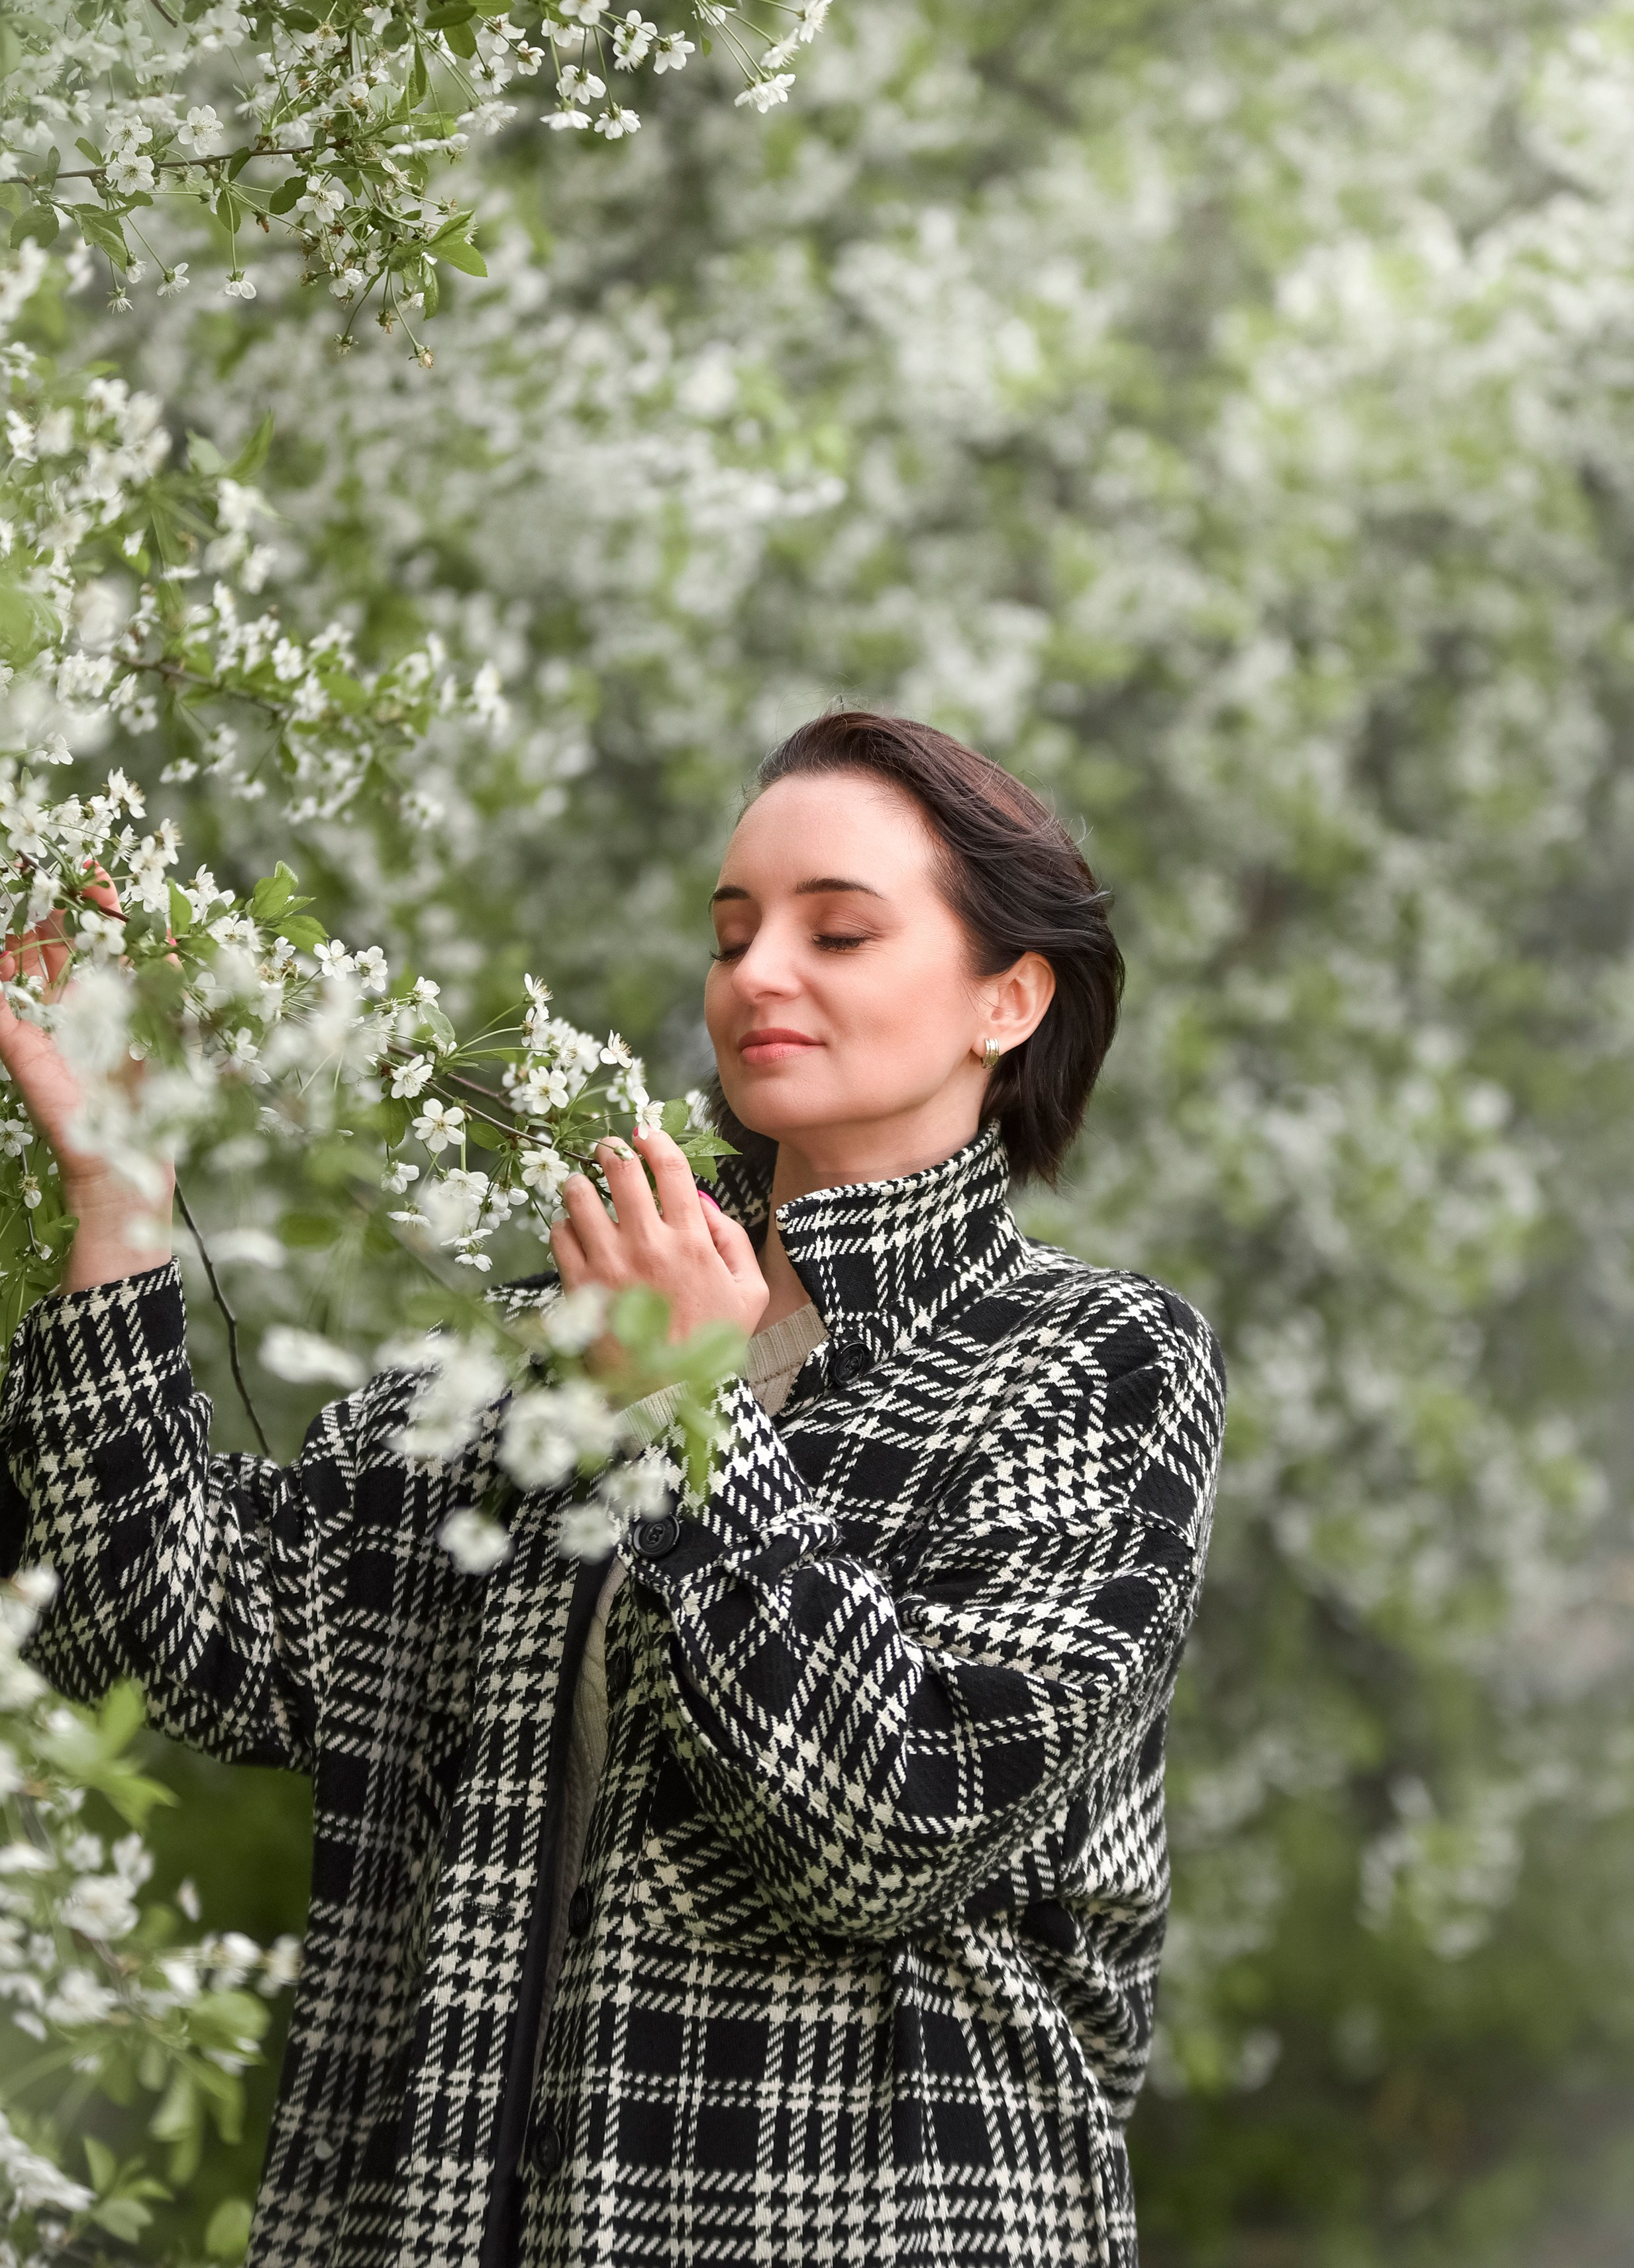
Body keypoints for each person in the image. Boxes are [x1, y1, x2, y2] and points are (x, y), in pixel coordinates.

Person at [0, 711, 1225, 2268]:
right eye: (731, 933)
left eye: (836, 927)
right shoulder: (540, 1348)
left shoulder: (1092, 1359)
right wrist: (117, 1199)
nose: (757, 973)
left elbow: (892, 1822)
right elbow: (165, 1628)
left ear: (1009, 994)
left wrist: (685, 1406)